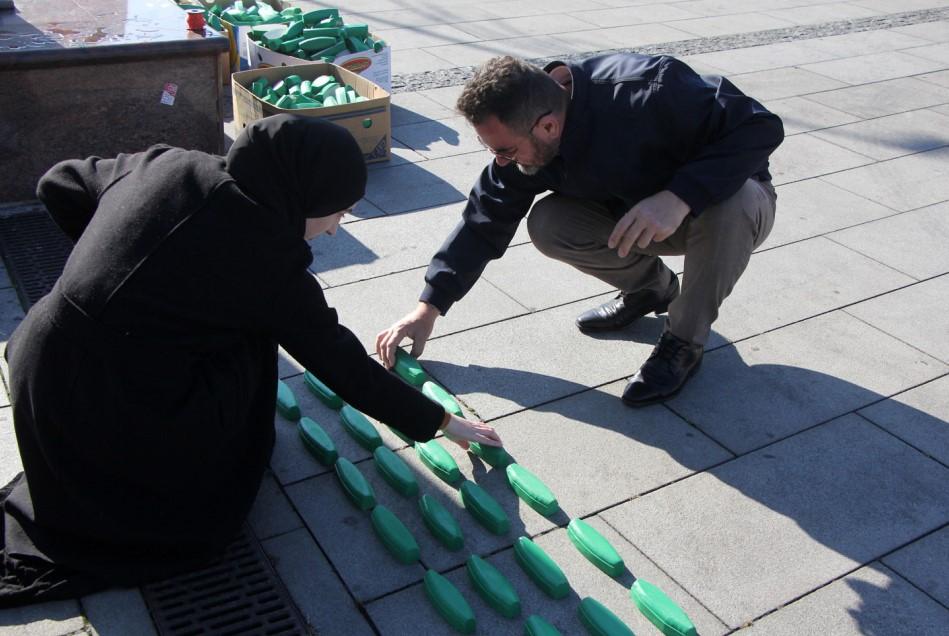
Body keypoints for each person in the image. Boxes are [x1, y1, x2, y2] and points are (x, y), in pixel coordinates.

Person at [0, 115, 501, 607]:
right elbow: (342, 364)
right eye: (337, 212)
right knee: (244, 368)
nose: (333, 231)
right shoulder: (265, 261)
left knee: (234, 329)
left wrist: (107, 270)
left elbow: (57, 183)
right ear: (303, 195)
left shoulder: (171, 163)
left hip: (40, 362)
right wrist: (440, 421)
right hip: (111, 407)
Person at [377, 54, 783, 405]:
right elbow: (483, 220)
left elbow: (761, 126)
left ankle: (684, 341)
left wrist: (680, 196)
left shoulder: (650, 88)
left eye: (504, 149)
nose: (499, 161)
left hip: (721, 206)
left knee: (734, 203)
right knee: (549, 223)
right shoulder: (528, 133)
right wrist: (428, 307)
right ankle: (650, 289)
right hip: (634, 216)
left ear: (548, 127)